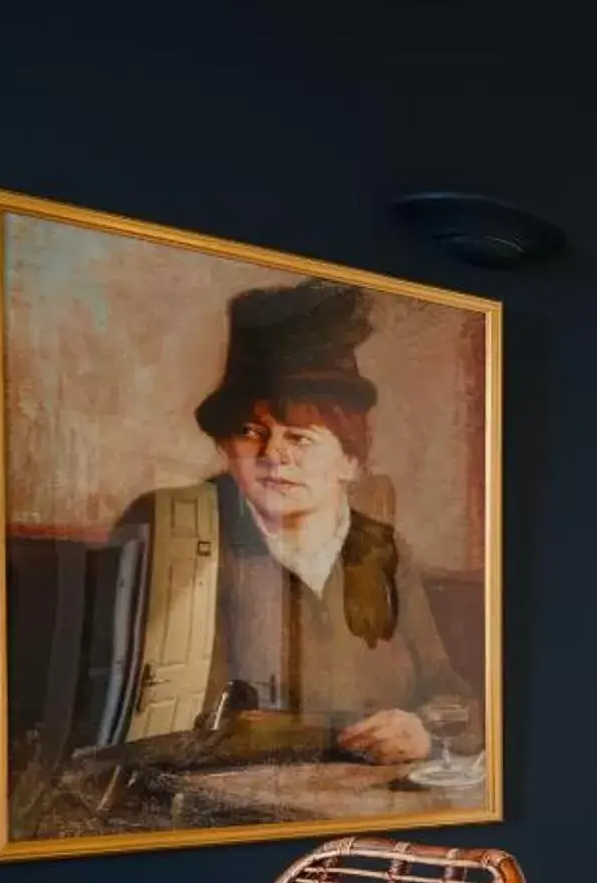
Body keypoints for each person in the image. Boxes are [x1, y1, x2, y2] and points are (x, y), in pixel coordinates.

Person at [109, 279, 467, 764]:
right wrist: (342, 739)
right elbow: (180, 727)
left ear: (350, 461)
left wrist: (425, 731)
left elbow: (453, 696)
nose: (273, 455)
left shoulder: (382, 550)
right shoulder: (177, 529)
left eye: (299, 438)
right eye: (251, 432)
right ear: (225, 448)